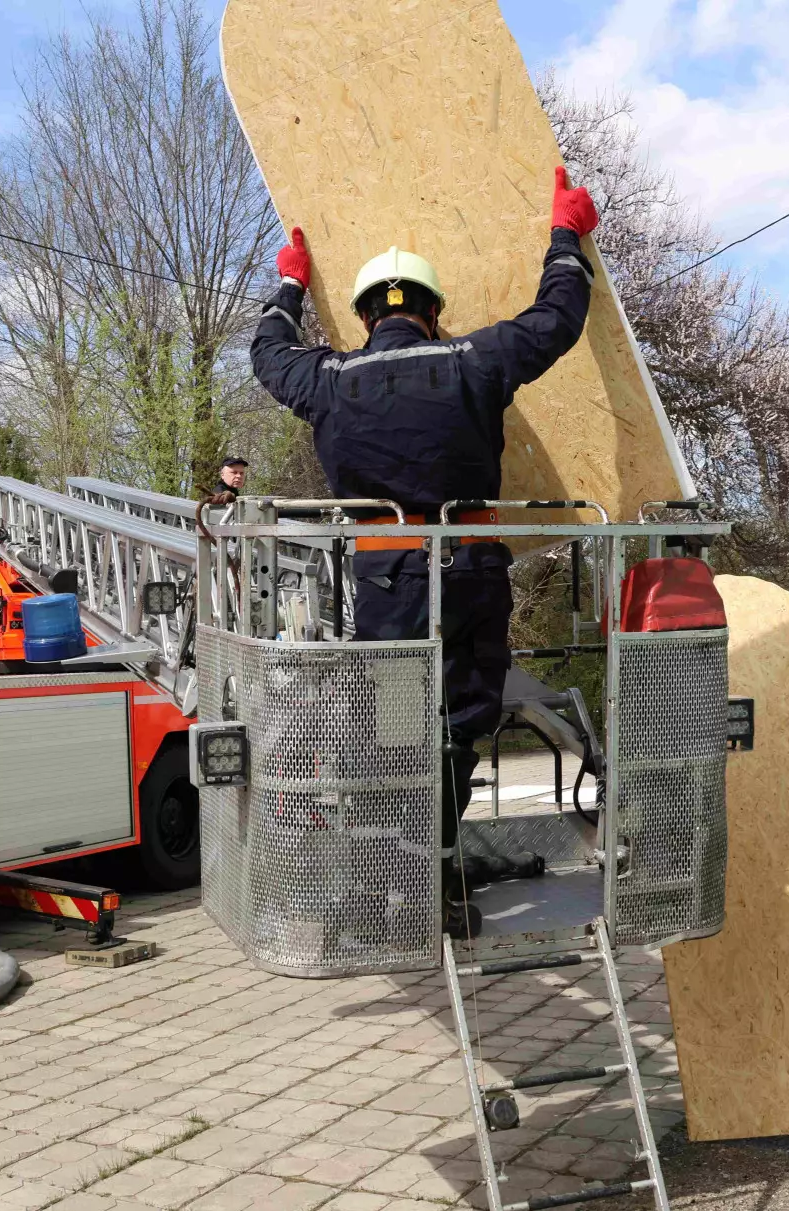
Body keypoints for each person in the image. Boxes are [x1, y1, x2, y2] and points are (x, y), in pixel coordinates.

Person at [250, 166, 599, 938]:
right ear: (434, 313)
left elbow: (267, 352)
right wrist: (565, 235)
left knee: (389, 733)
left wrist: (289, 286)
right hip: (471, 571)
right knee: (459, 727)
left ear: (367, 315)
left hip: (388, 581)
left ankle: (380, 893)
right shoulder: (473, 360)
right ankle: (439, 880)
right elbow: (557, 317)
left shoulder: (329, 379)